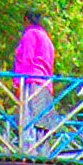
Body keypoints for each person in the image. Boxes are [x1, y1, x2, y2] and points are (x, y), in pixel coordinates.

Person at [13, 9, 55, 152]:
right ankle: (42, 153)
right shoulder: (47, 38)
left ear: (26, 20)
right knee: (42, 122)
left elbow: (27, 60)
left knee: (28, 120)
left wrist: (18, 84)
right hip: (45, 84)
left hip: (31, 82)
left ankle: (27, 152)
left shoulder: (30, 35)